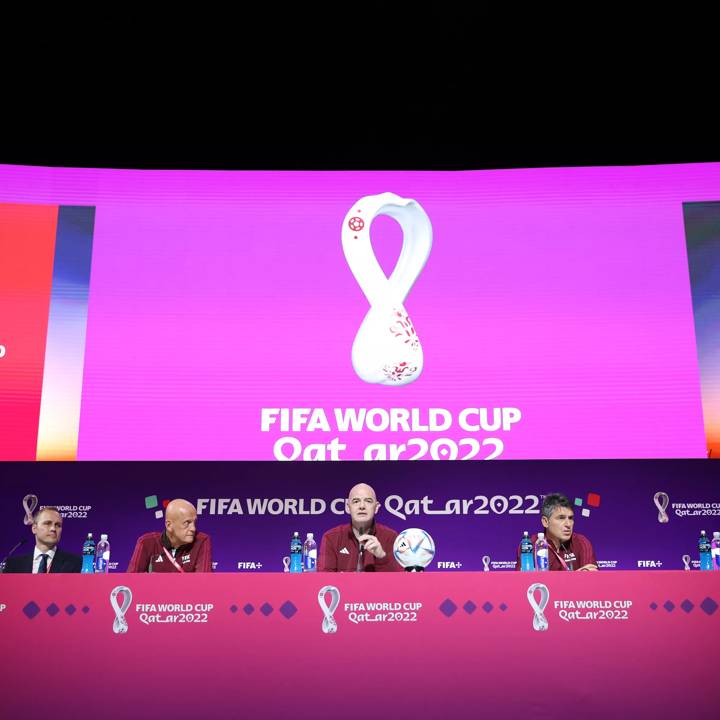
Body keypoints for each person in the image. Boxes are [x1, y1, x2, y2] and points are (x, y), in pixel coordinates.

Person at [318, 483, 403, 572]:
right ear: (348, 507)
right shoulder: (331, 537)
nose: (362, 506)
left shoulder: (390, 537)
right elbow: (324, 578)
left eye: (368, 501)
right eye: (356, 501)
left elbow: (398, 580)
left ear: (376, 507)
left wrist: (381, 556)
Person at [516, 493, 598, 571]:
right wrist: (576, 575)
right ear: (545, 522)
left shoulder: (581, 542)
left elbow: (591, 577)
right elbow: (522, 581)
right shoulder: (529, 545)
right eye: (561, 518)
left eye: (570, 518)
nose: (568, 524)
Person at [127, 498, 212, 572]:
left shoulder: (201, 541)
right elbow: (131, 582)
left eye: (194, 522)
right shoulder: (146, 542)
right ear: (169, 525)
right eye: (187, 523)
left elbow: (203, 582)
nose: (193, 528)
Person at [2, 506, 82, 573]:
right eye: (47, 523)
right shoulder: (14, 564)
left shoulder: (76, 563)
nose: (53, 528)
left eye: (58, 525)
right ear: (34, 528)